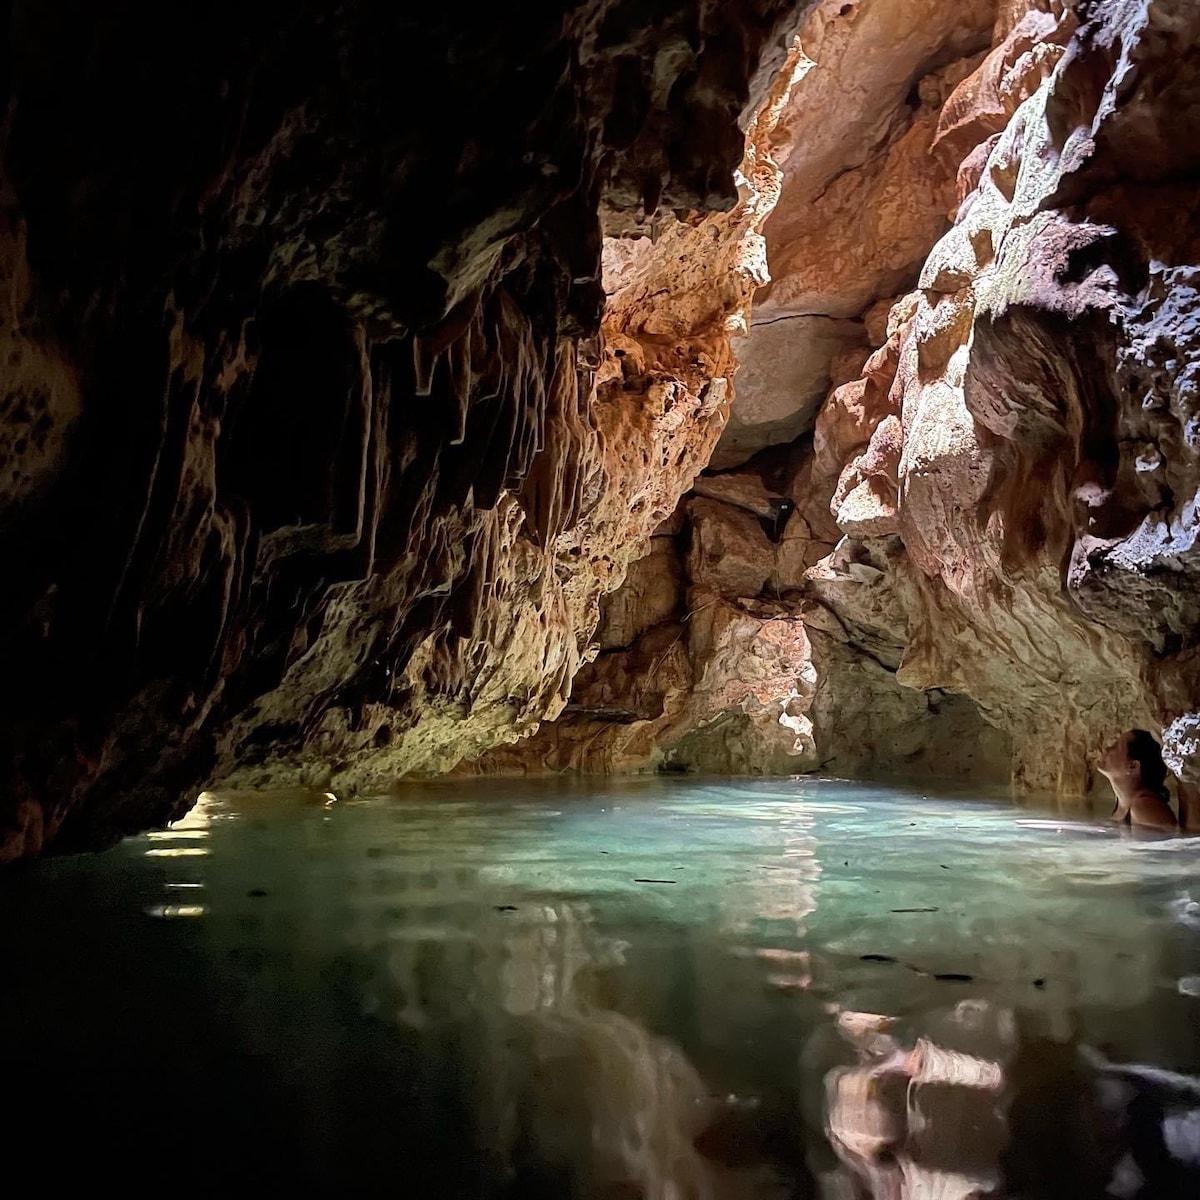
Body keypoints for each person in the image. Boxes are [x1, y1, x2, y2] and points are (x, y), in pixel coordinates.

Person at [1098, 730, 1178, 832]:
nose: (1106, 749)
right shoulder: (1124, 804)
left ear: (1133, 766)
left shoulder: (1145, 808)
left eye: (1115, 747)